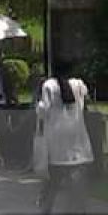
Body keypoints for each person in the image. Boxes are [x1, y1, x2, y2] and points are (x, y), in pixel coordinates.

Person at [35, 62, 94, 214]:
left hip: (56, 145)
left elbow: (42, 112)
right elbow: (85, 104)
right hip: (78, 143)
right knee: (77, 189)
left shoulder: (49, 86)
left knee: (51, 185)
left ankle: (45, 210)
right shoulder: (79, 84)